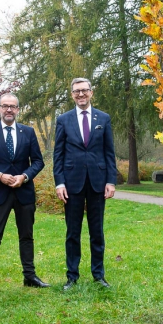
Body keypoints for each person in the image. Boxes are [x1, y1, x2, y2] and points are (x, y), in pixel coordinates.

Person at [0, 93, 48, 300]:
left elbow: (38, 162)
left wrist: (24, 177)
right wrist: (0, 176)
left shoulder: (28, 132)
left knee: (26, 236)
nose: (9, 110)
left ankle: (30, 277)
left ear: (18, 110)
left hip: (24, 193)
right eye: (5, 106)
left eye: (13, 107)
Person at [53, 78, 117, 290]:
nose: (80, 94)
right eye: (76, 91)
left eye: (84, 91)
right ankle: (72, 276)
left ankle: (98, 275)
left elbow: (109, 153)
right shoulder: (63, 120)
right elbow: (58, 155)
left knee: (97, 232)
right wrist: (59, 183)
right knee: (73, 232)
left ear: (91, 92)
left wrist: (111, 180)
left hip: (98, 183)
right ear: (72, 95)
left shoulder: (104, 118)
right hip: (72, 185)